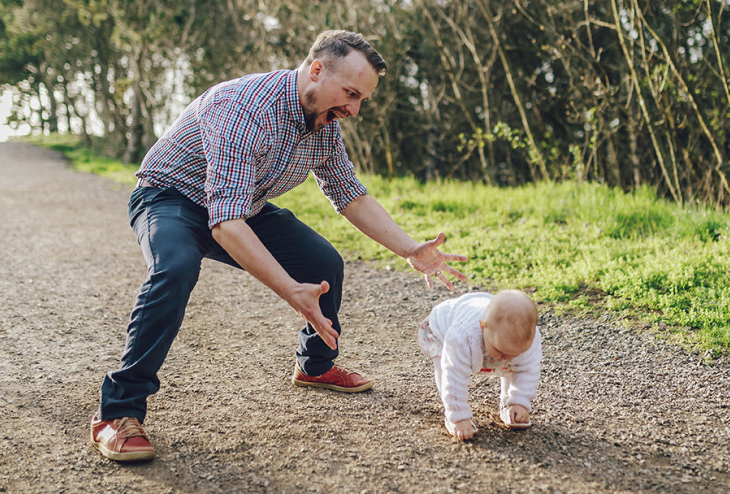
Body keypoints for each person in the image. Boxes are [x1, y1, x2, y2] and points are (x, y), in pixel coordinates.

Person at [90, 29, 467, 462]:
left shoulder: (323, 122)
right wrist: (291, 290)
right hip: (170, 198)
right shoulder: (241, 108)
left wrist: (409, 249)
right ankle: (116, 412)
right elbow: (225, 225)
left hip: (240, 205)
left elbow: (349, 194)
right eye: (350, 93)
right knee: (175, 268)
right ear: (317, 70)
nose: (355, 108)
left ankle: (315, 366)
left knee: (323, 262)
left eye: (362, 98)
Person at [417, 290, 541, 441]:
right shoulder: (462, 335)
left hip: (481, 322)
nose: (505, 358)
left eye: (514, 353)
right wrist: (459, 417)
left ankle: (509, 404)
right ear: (483, 326)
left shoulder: (528, 338)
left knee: (515, 365)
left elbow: (528, 370)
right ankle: (451, 415)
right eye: (500, 351)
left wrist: (520, 402)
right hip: (443, 328)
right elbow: (454, 375)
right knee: (445, 367)